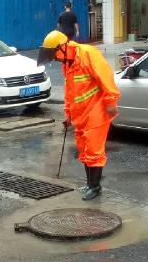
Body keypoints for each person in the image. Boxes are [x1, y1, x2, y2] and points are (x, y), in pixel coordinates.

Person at [37, 30, 119, 200]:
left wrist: (111, 102)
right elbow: (70, 91)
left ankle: (95, 187)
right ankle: (90, 184)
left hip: (97, 110)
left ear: (62, 47)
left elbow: (106, 77)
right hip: (80, 113)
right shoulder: (67, 63)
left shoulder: (87, 54)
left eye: (54, 55)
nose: (54, 59)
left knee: (94, 150)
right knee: (83, 148)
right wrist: (68, 114)